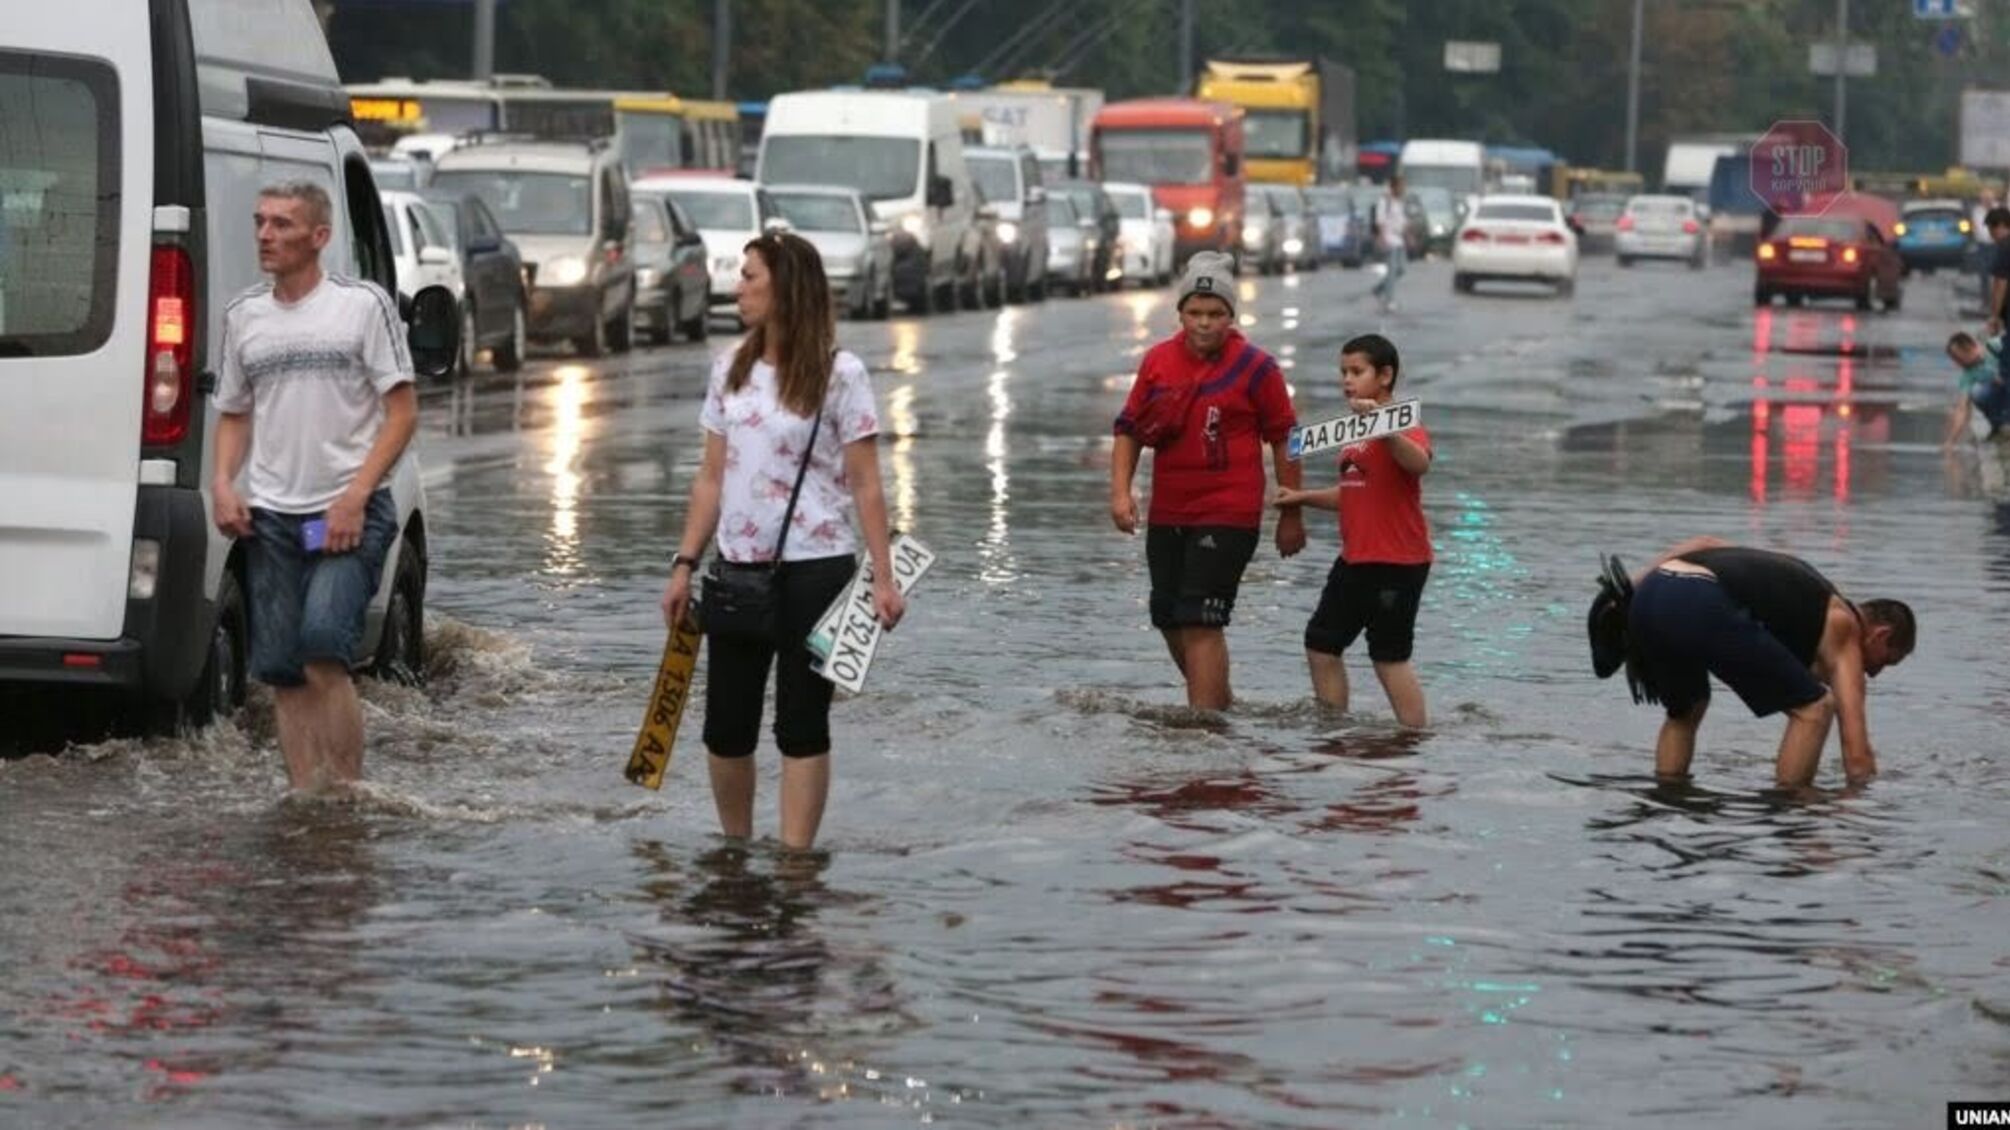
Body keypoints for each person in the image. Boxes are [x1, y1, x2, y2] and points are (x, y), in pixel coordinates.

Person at [661, 231, 902, 852]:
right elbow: (711, 476)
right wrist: (685, 563)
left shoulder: (840, 374)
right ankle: (736, 849)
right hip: (738, 569)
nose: (737, 288)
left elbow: (867, 483)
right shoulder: (729, 370)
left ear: (785, 289)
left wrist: (883, 575)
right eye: (740, 277)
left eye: (749, 278)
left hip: (818, 569)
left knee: (801, 723)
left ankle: (796, 861)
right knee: (725, 728)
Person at [211, 181, 417, 791]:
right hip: (271, 514)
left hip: (348, 509)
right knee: (280, 669)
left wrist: (356, 496)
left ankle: (347, 797)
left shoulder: (361, 306)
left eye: (281, 224)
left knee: (324, 649)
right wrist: (223, 482)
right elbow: (234, 412)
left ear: (320, 237)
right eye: (259, 223)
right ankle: (307, 798)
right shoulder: (245, 316)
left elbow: (402, 412)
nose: (265, 236)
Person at [1109, 251, 1303, 710]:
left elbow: (1285, 438)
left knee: (1202, 620)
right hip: (1170, 510)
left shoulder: (1258, 368)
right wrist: (1120, 493)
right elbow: (1129, 430)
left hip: (1229, 512)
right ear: (1179, 314)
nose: (1204, 323)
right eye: (1194, 313)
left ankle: (1203, 725)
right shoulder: (1158, 362)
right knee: (1169, 616)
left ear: (1232, 317)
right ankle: (1219, 703)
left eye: (1216, 314)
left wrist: (1291, 511)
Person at [1623, 538, 1915, 788]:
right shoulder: (1845, 628)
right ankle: (1788, 816)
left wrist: (1631, 586)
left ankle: (1669, 796)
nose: (1874, 673)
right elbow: (1856, 755)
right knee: (1815, 709)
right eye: (1887, 661)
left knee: (1686, 710)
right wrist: (1872, 810)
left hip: (1651, 590)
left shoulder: (1803, 584)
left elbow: (1705, 543)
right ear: (1880, 635)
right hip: (1699, 596)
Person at [1273, 334, 1432, 727]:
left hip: (1396, 560)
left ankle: (1414, 738)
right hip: (1356, 558)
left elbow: (1419, 463)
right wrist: (1302, 497)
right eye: (1343, 372)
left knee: (1388, 656)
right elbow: (1354, 492)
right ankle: (1333, 728)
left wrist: (1385, 431)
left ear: (1385, 375)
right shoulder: (1353, 432)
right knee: (1321, 644)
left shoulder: (1402, 423)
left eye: (1357, 372)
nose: (1347, 380)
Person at [1943, 330, 2010, 445]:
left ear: (1971, 347)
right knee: (1977, 393)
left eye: (1959, 358)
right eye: (1955, 360)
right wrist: (1951, 442)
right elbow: (1962, 409)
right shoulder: (1969, 374)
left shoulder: (1995, 345)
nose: (1957, 363)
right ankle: (2001, 426)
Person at [1371, 175, 1409, 313]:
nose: (1404, 189)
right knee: (1392, 271)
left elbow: (1402, 221)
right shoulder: (1384, 201)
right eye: (1401, 186)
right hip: (1389, 240)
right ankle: (1389, 300)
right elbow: (1379, 221)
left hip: (1399, 240)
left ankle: (1378, 289)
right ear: (1394, 187)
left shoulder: (1399, 202)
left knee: (1401, 269)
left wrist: (1409, 236)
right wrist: (1381, 238)